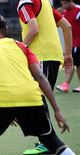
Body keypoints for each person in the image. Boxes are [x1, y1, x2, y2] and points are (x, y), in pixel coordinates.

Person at [0, 13, 75, 155]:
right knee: (51, 141)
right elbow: (40, 77)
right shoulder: (22, 46)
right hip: (32, 99)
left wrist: (1, 105)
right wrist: (57, 110)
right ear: (5, 31)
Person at [17, 0, 73, 153]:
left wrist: (19, 49)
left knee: (38, 98)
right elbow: (67, 26)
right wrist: (67, 54)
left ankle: (48, 142)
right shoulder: (45, 2)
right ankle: (46, 141)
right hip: (54, 55)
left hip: (40, 56)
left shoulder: (25, 3)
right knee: (38, 98)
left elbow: (34, 29)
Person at [56, 0, 80, 93]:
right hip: (71, 43)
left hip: (78, 43)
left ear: (71, 1)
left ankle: (66, 83)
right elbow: (56, 25)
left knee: (78, 65)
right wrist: (57, 14)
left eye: (65, 3)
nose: (64, 5)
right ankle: (65, 84)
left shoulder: (78, 10)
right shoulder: (64, 13)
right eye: (62, 4)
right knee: (72, 64)